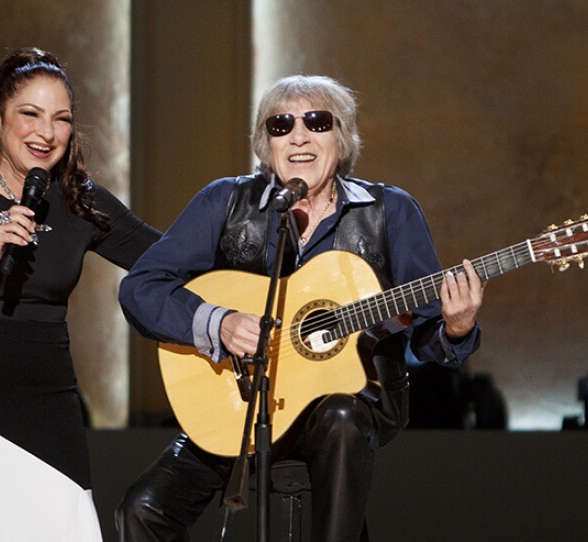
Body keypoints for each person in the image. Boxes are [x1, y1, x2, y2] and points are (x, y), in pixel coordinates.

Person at [116, 75, 485, 541]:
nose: (298, 135)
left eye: (316, 121)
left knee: (342, 417)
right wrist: (220, 322)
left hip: (344, 409)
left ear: (342, 137)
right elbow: (141, 287)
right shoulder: (226, 202)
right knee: (141, 510)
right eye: (280, 125)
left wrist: (456, 327)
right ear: (264, 144)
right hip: (239, 405)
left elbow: (429, 333)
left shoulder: (390, 210)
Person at [0, 47, 160, 541]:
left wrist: (244, 221)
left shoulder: (81, 202)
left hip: (47, 402)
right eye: (31, 114)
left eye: (61, 119)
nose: (46, 132)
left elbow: (168, 257)